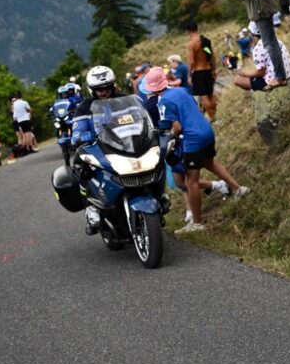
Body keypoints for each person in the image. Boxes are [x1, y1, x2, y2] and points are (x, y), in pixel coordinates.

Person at [145, 67, 248, 234]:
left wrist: (169, 138)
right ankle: (238, 188)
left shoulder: (164, 101)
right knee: (210, 162)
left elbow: (176, 127)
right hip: (207, 131)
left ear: (152, 88)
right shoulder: (182, 90)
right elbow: (197, 109)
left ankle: (197, 223)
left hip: (193, 139)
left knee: (190, 182)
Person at [71, 65, 128, 235]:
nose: (103, 92)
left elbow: (140, 118)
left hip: (126, 146)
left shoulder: (125, 99)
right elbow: (76, 132)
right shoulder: (84, 107)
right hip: (99, 148)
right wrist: (82, 135)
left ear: (112, 85)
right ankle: (90, 209)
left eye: (106, 88)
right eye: (98, 89)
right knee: (81, 168)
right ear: (91, 89)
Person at [233, 21, 290, 92]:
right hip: (289, 74)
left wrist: (246, 74)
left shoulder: (258, 48)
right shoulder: (277, 40)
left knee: (237, 80)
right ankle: (254, 87)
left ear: (252, 34)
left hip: (272, 79)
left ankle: (257, 90)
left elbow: (261, 73)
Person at [185, 20, 218, 122]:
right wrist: (213, 70)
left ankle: (213, 118)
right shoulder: (206, 41)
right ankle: (215, 117)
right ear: (197, 28)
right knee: (211, 94)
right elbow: (212, 57)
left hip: (199, 73)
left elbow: (191, 61)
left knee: (204, 98)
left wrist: (189, 75)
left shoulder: (191, 44)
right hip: (208, 70)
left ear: (188, 31)